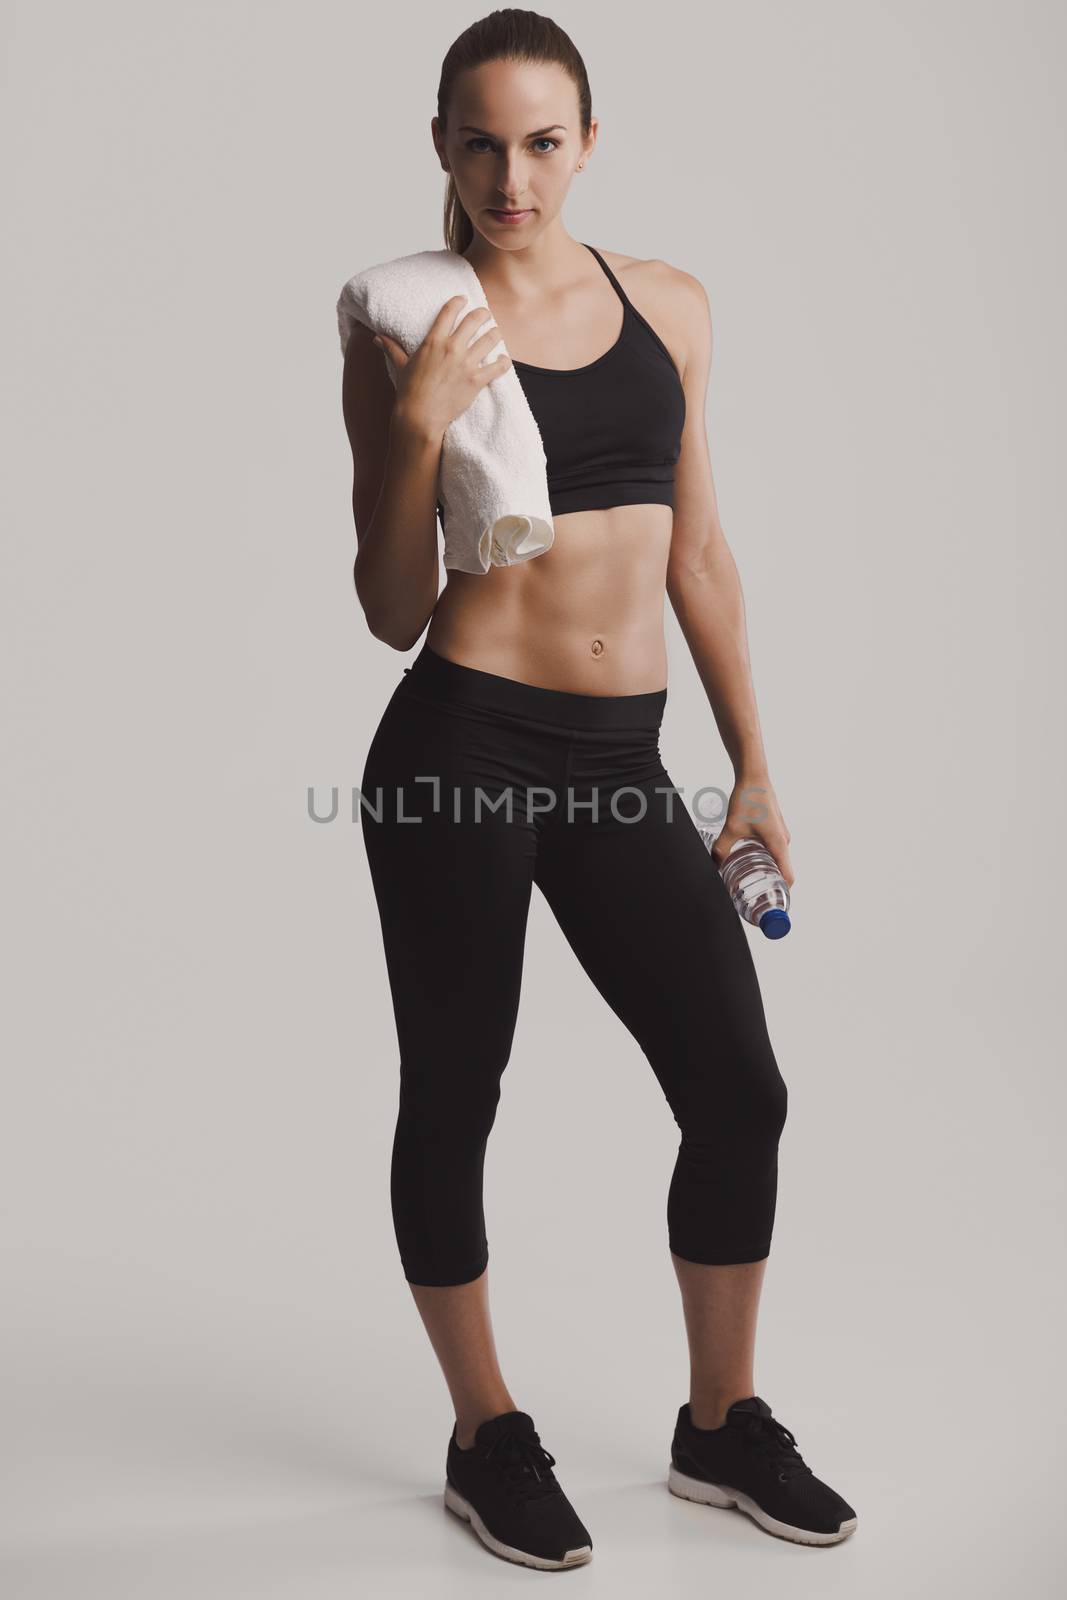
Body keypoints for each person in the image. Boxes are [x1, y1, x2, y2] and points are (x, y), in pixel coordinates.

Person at [340, 9, 857, 1571]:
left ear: (587, 142)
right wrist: (419, 430)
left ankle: (719, 1426)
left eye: (543, 142)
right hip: (463, 743)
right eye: (482, 143)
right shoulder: (409, 324)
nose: (514, 177)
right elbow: (385, 604)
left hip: (623, 761)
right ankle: (486, 1434)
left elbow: (696, 551)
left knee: (739, 1089)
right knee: (458, 1091)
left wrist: (753, 757)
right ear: (443, 145)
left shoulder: (671, 307)